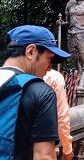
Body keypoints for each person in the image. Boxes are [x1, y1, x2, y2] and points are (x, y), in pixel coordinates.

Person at [1, 25, 71, 159]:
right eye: (49, 59)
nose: (50, 68)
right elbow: (44, 156)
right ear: (31, 51)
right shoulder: (41, 92)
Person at [44, 69, 74, 159]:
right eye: (49, 59)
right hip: (43, 144)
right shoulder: (53, 77)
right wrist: (67, 148)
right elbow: (61, 115)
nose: (49, 67)